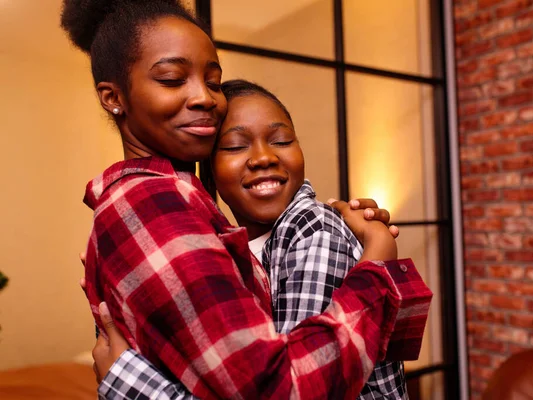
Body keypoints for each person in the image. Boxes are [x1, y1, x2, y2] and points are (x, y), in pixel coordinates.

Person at [61, 0, 431, 398]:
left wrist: (128, 382)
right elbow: (279, 388)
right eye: (171, 78)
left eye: (214, 81)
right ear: (113, 97)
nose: (203, 97)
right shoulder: (153, 202)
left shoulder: (196, 209)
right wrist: (378, 263)